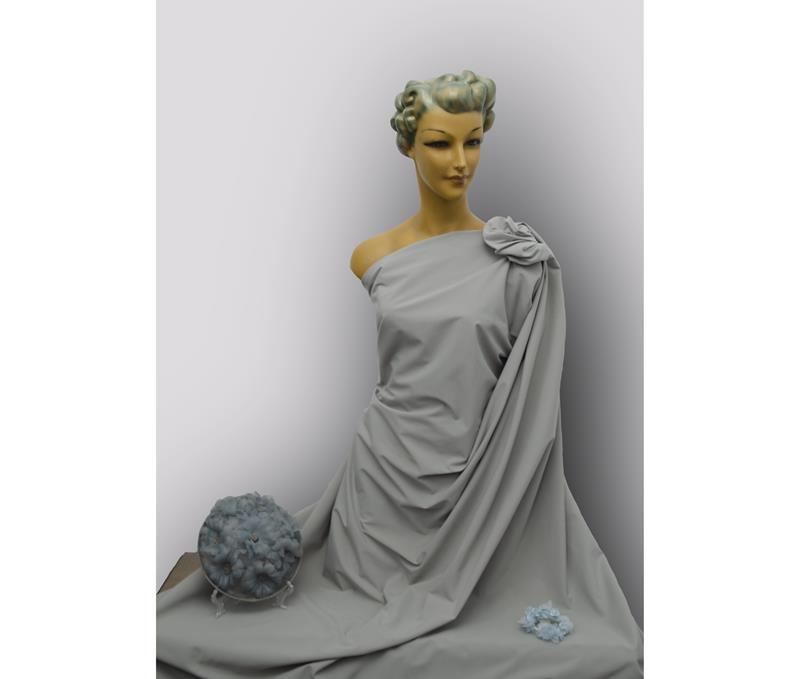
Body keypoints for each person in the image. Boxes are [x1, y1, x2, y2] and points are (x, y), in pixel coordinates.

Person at [157, 69, 644, 678]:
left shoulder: (519, 264)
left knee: (598, 653)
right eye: (440, 143)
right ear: (409, 145)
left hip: (479, 484)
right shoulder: (373, 256)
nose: (460, 161)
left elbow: (534, 405)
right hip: (381, 484)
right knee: (346, 617)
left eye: (473, 141)